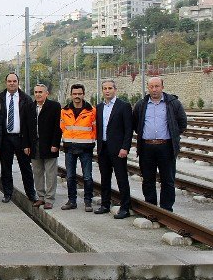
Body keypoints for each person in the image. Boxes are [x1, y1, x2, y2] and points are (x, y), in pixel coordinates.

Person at [133, 77, 187, 212]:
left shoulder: (173, 103)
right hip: (146, 147)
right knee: (147, 179)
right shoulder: (141, 104)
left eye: (157, 86)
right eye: (151, 86)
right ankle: (150, 206)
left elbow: (182, 123)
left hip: (166, 146)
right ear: (148, 88)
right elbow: (135, 124)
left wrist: (173, 135)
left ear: (162, 87)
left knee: (168, 179)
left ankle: (166, 209)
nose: (154, 89)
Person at [0, 73, 37, 203]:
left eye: (14, 81)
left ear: (18, 82)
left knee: (25, 168)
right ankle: (7, 193)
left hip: (21, 138)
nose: (12, 83)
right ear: (6, 82)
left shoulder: (26, 99)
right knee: (5, 167)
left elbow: (31, 123)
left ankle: (31, 193)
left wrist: (29, 143)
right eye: (9, 81)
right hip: (6, 139)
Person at [95, 80, 133, 218]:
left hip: (118, 149)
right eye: (104, 88)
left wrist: (125, 148)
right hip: (103, 148)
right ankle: (105, 204)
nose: (107, 91)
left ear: (115, 90)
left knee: (121, 178)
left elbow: (129, 129)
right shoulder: (99, 107)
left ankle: (125, 207)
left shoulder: (123, 106)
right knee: (105, 178)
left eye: (110, 88)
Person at [25, 84, 62, 210]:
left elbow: (58, 127)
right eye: (36, 92)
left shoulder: (54, 106)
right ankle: (40, 197)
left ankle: (49, 199)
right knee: (37, 172)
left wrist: (55, 144)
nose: (38, 94)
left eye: (41, 92)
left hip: (49, 144)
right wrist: (26, 145)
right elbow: (26, 127)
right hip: (34, 145)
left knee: (51, 173)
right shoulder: (30, 106)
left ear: (47, 93)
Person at [60, 84, 97, 212]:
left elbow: (95, 129)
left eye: (79, 94)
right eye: (74, 94)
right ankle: (72, 201)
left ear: (83, 94)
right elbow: (62, 128)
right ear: (71, 95)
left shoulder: (91, 111)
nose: (77, 96)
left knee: (87, 176)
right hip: (69, 148)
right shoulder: (64, 111)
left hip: (85, 148)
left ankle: (88, 202)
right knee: (70, 176)